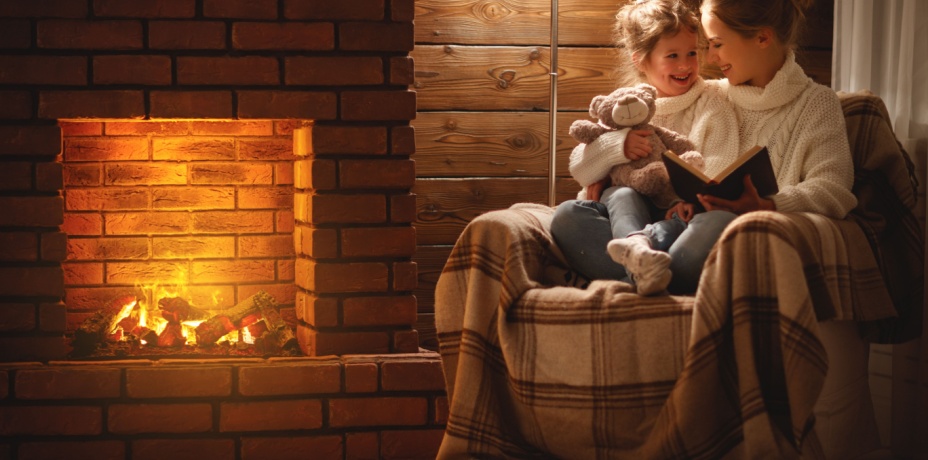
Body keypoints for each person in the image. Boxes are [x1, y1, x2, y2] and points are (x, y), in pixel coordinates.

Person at [551, 0, 741, 295]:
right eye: (672, 55)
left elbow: (718, 162)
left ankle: (638, 277)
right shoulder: (624, 106)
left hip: (680, 221)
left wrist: (688, 200)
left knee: (719, 223)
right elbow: (580, 166)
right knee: (568, 216)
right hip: (623, 218)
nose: (685, 65)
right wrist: (617, 149)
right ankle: (647, 270)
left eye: (692, 53)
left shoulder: (712, 103)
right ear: (641, 60)